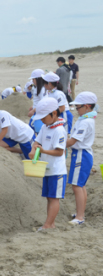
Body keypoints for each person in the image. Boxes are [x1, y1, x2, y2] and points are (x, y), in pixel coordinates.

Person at [29, 97, 67, 231]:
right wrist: (34, 149)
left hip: (57, 170)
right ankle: (50, 224)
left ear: (54, 113)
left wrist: (43, 150)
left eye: (44, 117)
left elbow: (59, 152)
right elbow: (36, 141)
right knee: (49, 197)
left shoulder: (59, 130)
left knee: (54, 198)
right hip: (47, 168)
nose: (42, 120)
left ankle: (47, 225)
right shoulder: (46, 127)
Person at [66, 92, 97, 225]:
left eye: (78, 107)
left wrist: (57, 143)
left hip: (81, 154)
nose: (76, 110)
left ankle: (80, 217)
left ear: (87, 106)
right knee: (80, 185)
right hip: (82, 154)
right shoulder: (86, 119)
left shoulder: (86, 122)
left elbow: (72, 141)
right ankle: (80, 213)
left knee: (77, 186)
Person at [28, 69, 47, 134]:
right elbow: (38, 100)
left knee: (35, 130)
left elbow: (43, 103)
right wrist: (32, 106)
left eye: (33, 79)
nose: (32, 81)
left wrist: (33, 111)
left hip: (39, 113)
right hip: (37, 111)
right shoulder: (37, 88)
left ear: (38, 79)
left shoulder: (42, 89)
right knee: (32, 129)